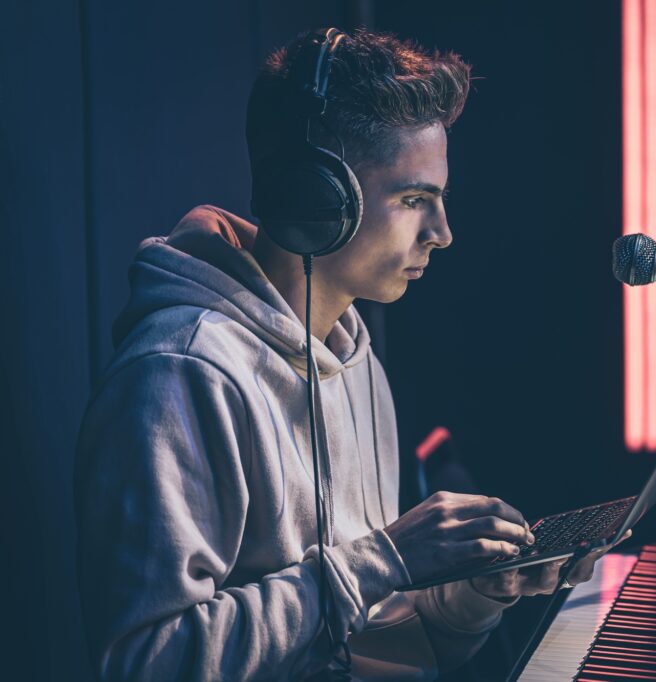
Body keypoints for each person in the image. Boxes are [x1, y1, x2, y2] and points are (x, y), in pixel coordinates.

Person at [74, 29, 615, 681]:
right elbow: (143, 663)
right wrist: (382, 558)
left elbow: (381, 643)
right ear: (316, 200)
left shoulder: (359, 362)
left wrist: (475, 596)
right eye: (416, 200)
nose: (442, 235)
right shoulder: (179, 374)